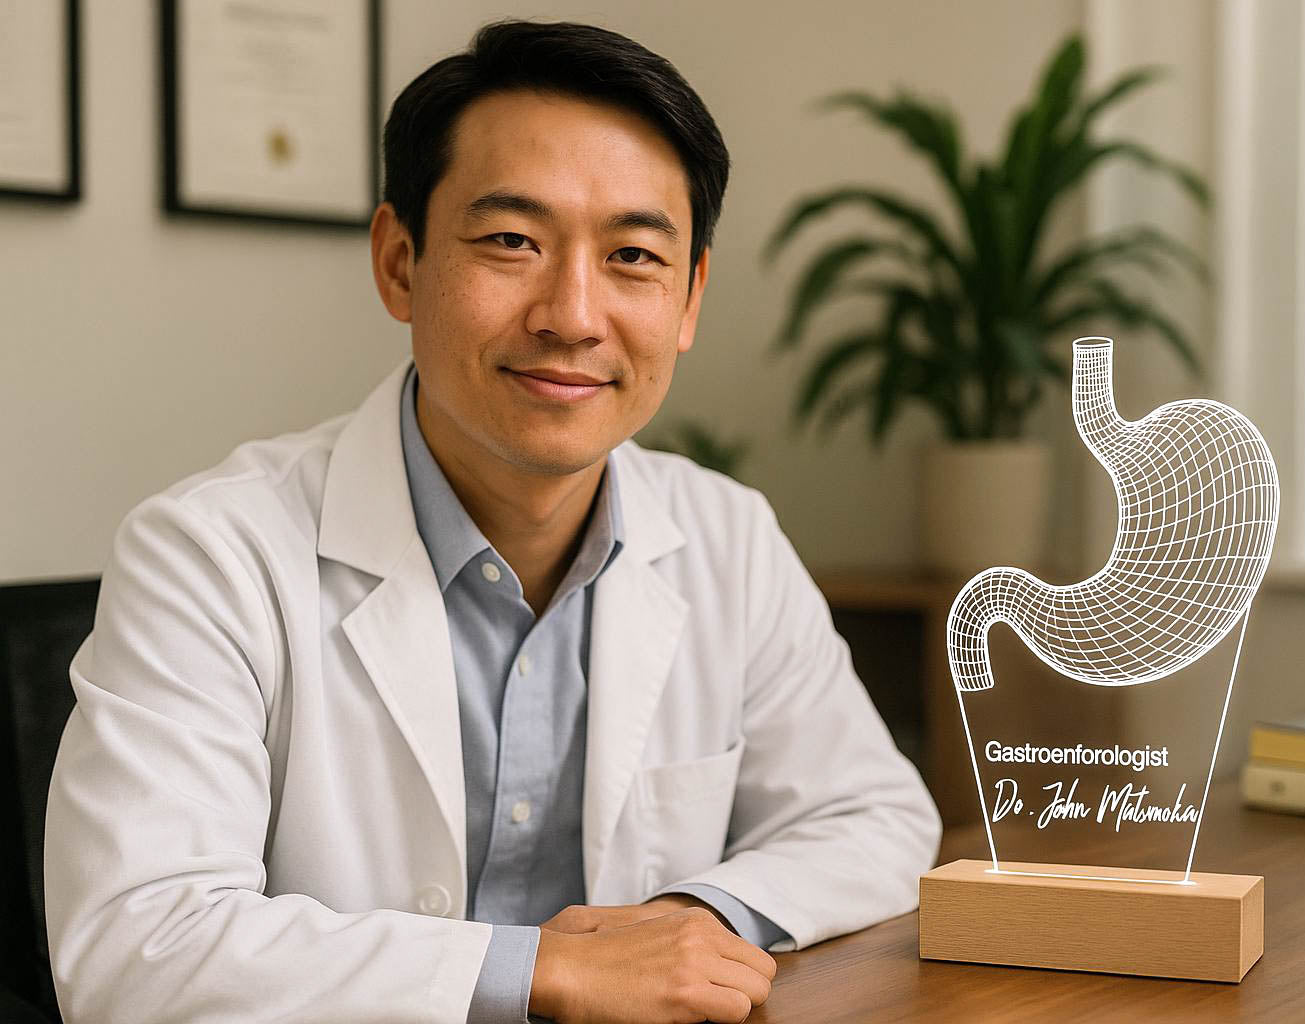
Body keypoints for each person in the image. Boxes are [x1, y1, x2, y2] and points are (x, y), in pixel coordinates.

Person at [43, 18, 941, 1024]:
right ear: (399, 262)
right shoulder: (208, 555)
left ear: (689, 299)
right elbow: (138, 948)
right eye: (513, 241)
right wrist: (541, 969)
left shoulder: (727, 536)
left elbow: (873, 816)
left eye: (633, 255)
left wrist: (690, 920)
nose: (574, 315)